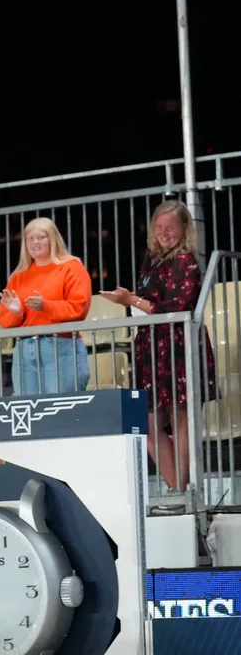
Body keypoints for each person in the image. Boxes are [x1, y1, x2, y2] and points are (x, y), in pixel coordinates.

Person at [103, 200, 216, 493]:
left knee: (180, 419)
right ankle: (177, 487)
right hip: (151, 345)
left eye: (171, 227)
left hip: (177, 346)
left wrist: (131, 300)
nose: (165, 233)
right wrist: (132, 303)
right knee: (148, 424)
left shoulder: (185, 261)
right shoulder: (152, 260)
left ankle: (182, 492)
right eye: (159, 227)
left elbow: (174, 306)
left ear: (184, 229)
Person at [0, 217, 91, 395]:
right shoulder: (18, 276)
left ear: (53, 239)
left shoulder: (71, 267)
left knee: (62, 406)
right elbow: (4, 319)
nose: (35, 242)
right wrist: (17, 313)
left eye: (41, 237)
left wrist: (45, 306)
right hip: (25, 348)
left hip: (60, 344)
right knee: (28, 410)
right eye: (30, 238)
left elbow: (79, 308)